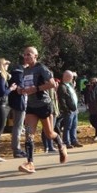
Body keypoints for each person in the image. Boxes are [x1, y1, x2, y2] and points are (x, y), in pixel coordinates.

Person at [16, 46, 67, 174]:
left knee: (49, 134)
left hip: (44, 105)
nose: (26, 56)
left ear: (36, 56)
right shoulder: (25, 70)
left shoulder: (41, 68)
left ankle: (61, 144)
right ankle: (30, 163)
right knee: (29, 135)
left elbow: (52, 84)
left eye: (29, 54)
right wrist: (21, 90)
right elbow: (25, 85)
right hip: (31, 107)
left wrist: (36, 89)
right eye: (25, 54)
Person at [57, 70, 81, 148]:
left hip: (74, 109)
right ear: (66, 77)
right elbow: (62, 99)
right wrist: (66, 109)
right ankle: (66, 142)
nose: (72, 79)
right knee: (67, 127)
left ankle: (74, 140)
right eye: (71, 77)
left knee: (74, 126)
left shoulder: (70, 85)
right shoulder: (62, 86)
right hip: (69, 110)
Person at [7, 63, 27, 158]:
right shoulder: (19, 73)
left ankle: (17, 149)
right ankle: (16, 149)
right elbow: (20, 89)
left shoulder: (14, 73)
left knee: (18, 126)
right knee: (18, 126)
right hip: (19, 103)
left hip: (17, 102)